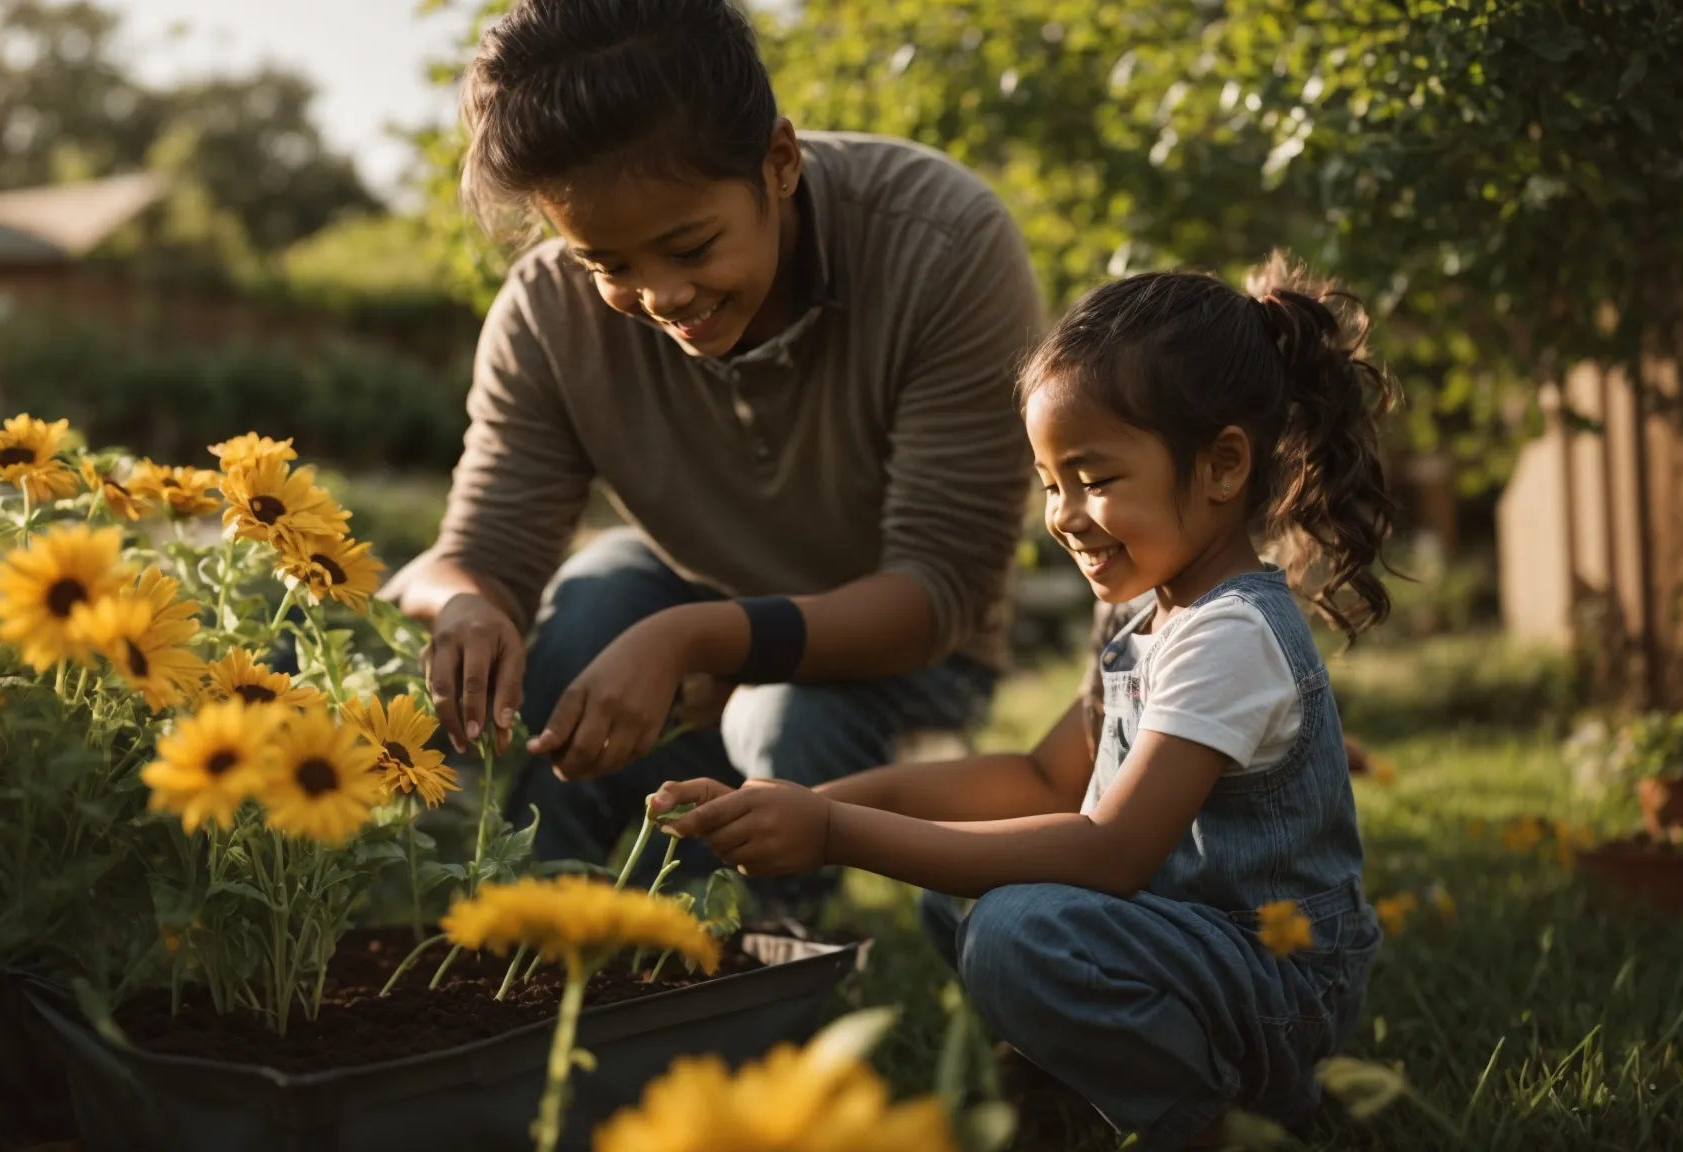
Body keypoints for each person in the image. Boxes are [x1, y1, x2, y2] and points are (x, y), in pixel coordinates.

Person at [655, 253, 1398, 1148]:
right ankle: (1081, 1080)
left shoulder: (1229, 632)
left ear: (1222, 465)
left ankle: (1214, 1126)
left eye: (1095, 477)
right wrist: (813, 804)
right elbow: (1045, 776)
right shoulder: (1143, 612)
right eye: (1051, 484)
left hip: (1275, 987)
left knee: (1016, 927)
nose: (1065, 514)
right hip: (1187, 955)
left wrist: (830, 836)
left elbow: (1111, 850)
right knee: (958, 894)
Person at [382, 0, 1042, 902]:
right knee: (586, 613)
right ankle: (523, 944)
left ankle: (748, 978)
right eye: (606, 265)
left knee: (782, 715)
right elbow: (474, 557)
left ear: (778, 162)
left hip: (902, 664)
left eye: (690, 246)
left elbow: (939, 598)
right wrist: (466, 608)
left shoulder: (942, 246)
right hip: (691, 607)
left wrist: (697, 639)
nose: (661, 294)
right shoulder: (546, 313)